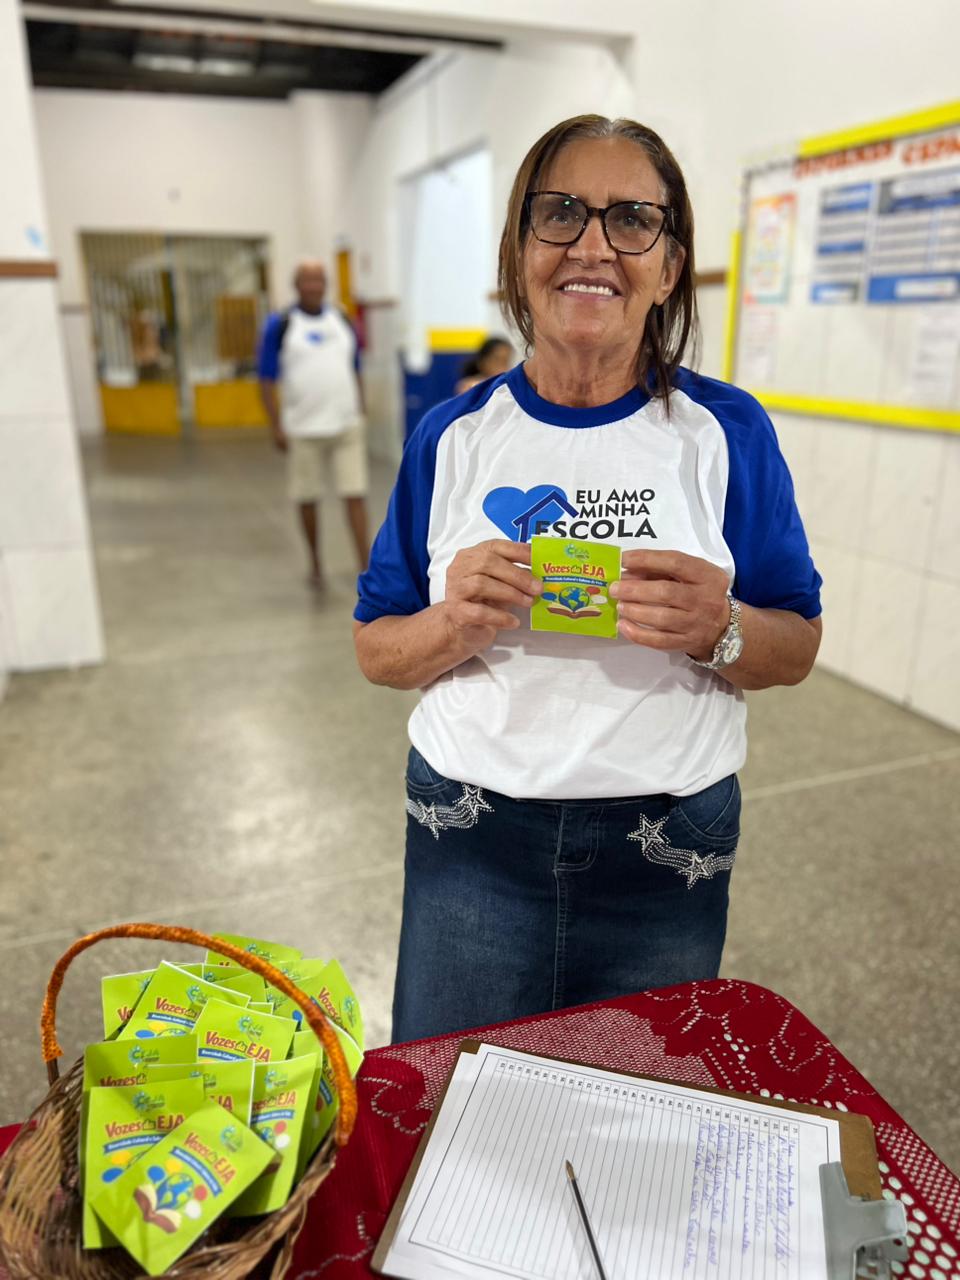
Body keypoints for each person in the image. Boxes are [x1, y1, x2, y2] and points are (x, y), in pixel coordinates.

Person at [353, 116, 823, 1044]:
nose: (594, 245)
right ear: (520, 250)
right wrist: (454, 624)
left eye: (632, 220)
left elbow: (796, 644)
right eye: (559, 213)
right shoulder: (453, 436)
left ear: (671, 264)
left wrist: (717, 624)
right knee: (450, 1102)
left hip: (669, 842)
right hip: (470, 829)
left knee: (634, 1116)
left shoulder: (725, 432)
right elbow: (377, 647)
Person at [258, 259, 369, 587]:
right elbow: (265, 378)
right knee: (307, 497)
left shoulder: (342, 320)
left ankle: (364, 564)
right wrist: (275, 424)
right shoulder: (280, 325)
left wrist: (360, 405)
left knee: (355, 494)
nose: (314, 287)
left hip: (346, 425)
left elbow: (355, 365)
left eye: (319, 280)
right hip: (303, 428)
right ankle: (316, 563)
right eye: (307, 281)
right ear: (296, 285)